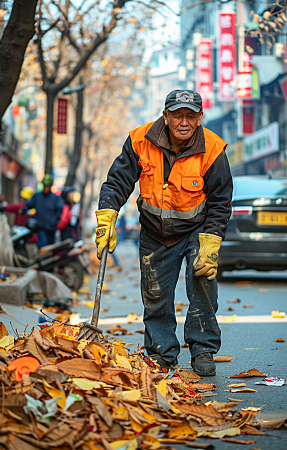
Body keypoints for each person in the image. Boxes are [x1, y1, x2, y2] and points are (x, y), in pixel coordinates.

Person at [95, 90, 233, 376]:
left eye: (191, 116)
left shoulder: (213, 148)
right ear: (166, 116)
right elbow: (118, 181)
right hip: (154, 230)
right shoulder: (139, 140)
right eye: (178, 115)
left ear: (200, 118)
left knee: (203, 285)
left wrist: (212, 241)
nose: (184, 121)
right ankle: (162, 354)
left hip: (197, 228)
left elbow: (221, 199)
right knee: (155, 294)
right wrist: (108, 214)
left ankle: (203, 349)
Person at [22, 174, 63, 248]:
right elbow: (29, 204)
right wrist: (23, 210)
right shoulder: (37, 196)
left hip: (51, 228)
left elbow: (59, 211)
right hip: (40, 227)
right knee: (43, 246)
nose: (46, 188)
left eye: (47, 186)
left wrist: (55, 221)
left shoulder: (56, 198)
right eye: (45, 185)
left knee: (50, 247)